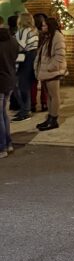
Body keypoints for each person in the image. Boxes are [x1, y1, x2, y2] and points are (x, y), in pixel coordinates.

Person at [34, 15, 66, 131]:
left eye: (44, 25)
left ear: (49, 26)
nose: (42, 27)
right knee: (49, 96)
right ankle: (50, 117)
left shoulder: (57, 37)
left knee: (54, 95)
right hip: (47, 72)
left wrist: (50, 68)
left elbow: (60, 55)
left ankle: (53, 119)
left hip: (52, 72)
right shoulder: (48, 37)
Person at [12, 13, 38, 122]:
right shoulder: (34, 30)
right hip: (32, 56)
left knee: (21, 85)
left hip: (25, 58)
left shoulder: (23, 31)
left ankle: (25, 111)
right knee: (25, 85)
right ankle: (25, 109)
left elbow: (20, 46)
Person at [0, 17, 20, 158]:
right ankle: (8, 143)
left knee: (0, 115)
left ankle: (2, 147)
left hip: (0, 80)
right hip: (10, 78)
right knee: (4, 113)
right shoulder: (12, 40)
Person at [30, 13, 48, 113]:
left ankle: (32, 104)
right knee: (44, 83)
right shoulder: (46, 34)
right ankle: (44, 103)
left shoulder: (31, 33)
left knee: (33, 83)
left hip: (32, 59)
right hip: (44, 60)